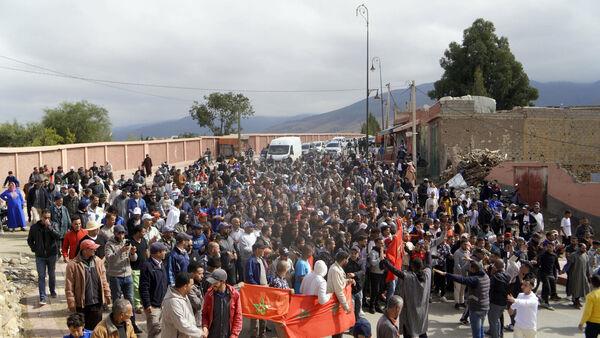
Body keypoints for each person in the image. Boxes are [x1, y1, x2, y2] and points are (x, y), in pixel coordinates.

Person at [435, 260, 490, 338]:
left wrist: (446, 274)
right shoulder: (486, 276)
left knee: (476, 333)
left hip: (476, 308)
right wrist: (471, 260)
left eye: (470, 268)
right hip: (485, 307)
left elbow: (462, 279)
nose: (469, 269)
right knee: (480, 329)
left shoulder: (475, 280)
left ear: (474, 269)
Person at [65, 239, 112, 330]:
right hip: (81, 305)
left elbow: (104, 280)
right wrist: (71, 303)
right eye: (92, 249)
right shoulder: (73, 265)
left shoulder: (98, 261)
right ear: (84, 250)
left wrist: (107, 294)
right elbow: (69, 286)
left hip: (97, 303)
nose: (95, 250)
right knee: (82, 330)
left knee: (97, 329)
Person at [104, 224, 141, 333]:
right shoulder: (109, 244)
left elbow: (133, 259)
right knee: (117, 302)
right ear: (115, 233)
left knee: (130, 301)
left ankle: (132, 324)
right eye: (119, 233)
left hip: (128, 275)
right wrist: (121, 250)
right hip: (116, 276)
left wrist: (133, 253)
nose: (121, 235)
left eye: (123, 233)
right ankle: (116, 325)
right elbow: (109, 259)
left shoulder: (127, 242)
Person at [383, 257, 431, 338]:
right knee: (422, 332)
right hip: (422, 314)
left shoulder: (410, 277)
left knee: (408, 331)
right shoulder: (427, 274)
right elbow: (429, 264)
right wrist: (428, 250)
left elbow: (397, 272)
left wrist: (387, 264)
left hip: (410, 313)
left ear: (412, 266)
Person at [27, 209, 61, 305]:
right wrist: (35, 249)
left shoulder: (54, 225)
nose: (47, 219)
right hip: (40, 256)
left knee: (52, 274)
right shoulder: (34, 227)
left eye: (49, 218)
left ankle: (52, 290)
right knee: (41, 276)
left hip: (52, 254)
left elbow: (58, 236)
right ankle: (42, 296)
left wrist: (49, 227)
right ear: (41, 217)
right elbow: (30, 240)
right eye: (45, 217)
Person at [161, 272, 205, 338]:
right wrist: (200, 333)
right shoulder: (172, 301)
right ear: (185, 286)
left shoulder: (183, 294)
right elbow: (181, 324)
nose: (193, 287)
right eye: (191, 285)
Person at [201, 268, 243, 338]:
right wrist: (205, 327)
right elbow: (205, 314)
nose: (213, 284)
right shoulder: (209, 294)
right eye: (212, 282)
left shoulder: (234, 295)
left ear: (223, 282)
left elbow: (238, 316)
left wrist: (234, 334)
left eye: (215, 282)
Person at [139, 242, 169, 338]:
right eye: (163, 251)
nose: (165, 253)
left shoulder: (162, 264)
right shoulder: (147, 266)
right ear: (157, 253)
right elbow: (144, 287)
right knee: (154, 333)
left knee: (162, 331)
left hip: (162, 305)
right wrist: (147, 305)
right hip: (153, 307)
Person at [327, 251, 355, 338]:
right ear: (344, 260)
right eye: (347, 259)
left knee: (340, 328)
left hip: (339, 302)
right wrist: (346, 307)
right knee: (337, 329)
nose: (348, 261)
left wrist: (347, 281)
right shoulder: (335, 270)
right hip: (336, 302)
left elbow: (340, 283)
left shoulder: (338, 267)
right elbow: (339, 291)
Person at [245, 242, 270, 338]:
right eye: (262, 249)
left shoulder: (262, 260)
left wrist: (269, 280)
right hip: (256, 291)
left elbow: (266, 274)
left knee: (264, 311)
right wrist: (257, 287)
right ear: (256, 250)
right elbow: (249, 277)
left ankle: (262, 334)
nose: (264, 251)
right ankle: (254, 335)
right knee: (255, 314)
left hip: (264, 290)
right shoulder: (251, 261)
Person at [488, 259, 511, 338]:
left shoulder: (495, 277)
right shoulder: (507, 276)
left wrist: (491, 273)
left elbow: (489, 287)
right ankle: (499, 334)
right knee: (498, 320)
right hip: (503, 302)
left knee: (493, 321)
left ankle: (495, 335)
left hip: (495, 303)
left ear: (496, 267)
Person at [566, 243, 591, 309]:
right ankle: (575, 302)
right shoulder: (573, 255)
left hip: (583, 275)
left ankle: (577, 300)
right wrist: (564, 271)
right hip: (575, 275)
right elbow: (569, 265)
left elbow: (587, 266)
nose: (584, 249)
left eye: (585, 248)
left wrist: (588, 275)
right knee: (576, 289)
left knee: (585, 288)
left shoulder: (586, 255)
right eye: (583, 248)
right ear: (579, 248)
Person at [187, 261, 205, 327]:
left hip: (199, 320)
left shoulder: (199, 284)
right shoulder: (189, 288)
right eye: (199, 274)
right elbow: (198, 305)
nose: (202, 276)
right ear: (192, 274)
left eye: (202, 273)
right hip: (193, 323)